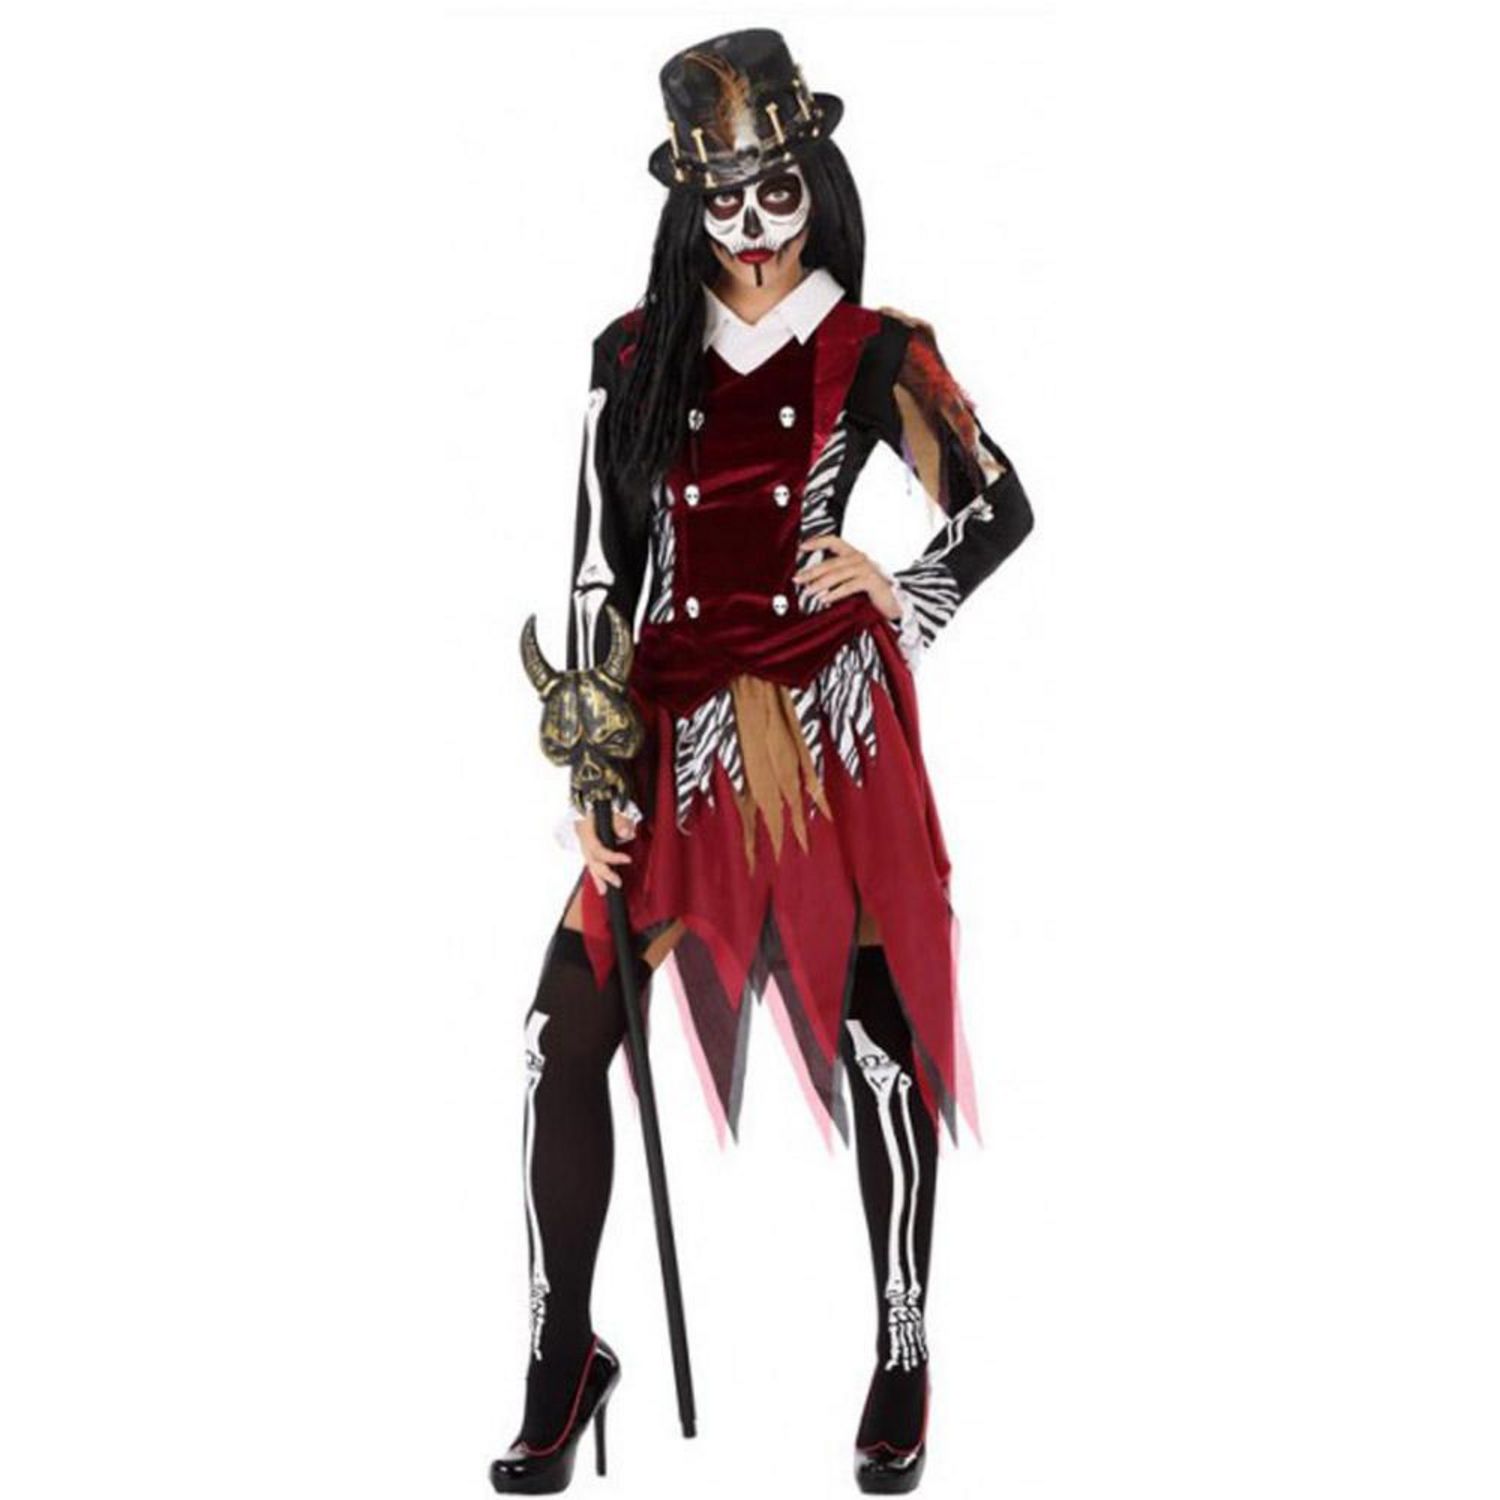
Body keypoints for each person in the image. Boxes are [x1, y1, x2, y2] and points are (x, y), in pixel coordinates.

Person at [490, 27, 1034, 1495]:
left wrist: (900, 590)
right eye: (721, 197)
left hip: (822, 733)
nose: (749, 224)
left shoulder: (874, 350)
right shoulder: (631, 354)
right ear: (688, 198)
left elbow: (998, 507)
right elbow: (600, 577)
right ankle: (560, 1355)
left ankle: (904, 1346)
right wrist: (595, 769)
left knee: (879, 1036)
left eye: (774, 190)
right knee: (559, 1037)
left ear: (815, 177)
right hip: (671, 727)